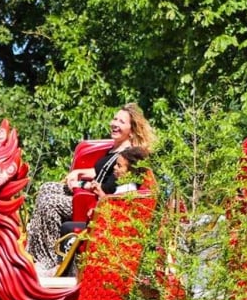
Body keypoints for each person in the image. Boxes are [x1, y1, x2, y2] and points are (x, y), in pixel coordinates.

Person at [28, 103, 155, 273]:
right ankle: (35, 252)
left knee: (49, 202)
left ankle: (50, 261)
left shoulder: (127, 157)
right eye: (115, 119)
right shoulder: (114, 149)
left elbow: (109, 187)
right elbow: (99, 170)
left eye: (121, 122)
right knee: (46, 188)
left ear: (131, 130)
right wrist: (78, 172)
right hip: (89, 193)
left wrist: (81, 185)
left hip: (94, 201)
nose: (115, 123)